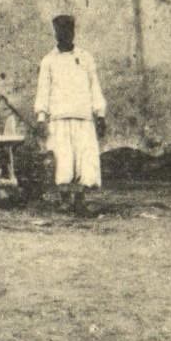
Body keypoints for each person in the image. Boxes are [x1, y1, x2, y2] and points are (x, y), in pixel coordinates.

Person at [34, 14, 107, 209]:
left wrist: (100, 115)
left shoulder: (85, 58)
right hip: (59, 117)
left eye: (68, 31)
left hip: (83, 116)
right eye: (60, 31)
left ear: (73, 32)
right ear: (55, 33)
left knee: (84, 158)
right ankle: (65, 199)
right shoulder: (48, 61)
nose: (64, 35)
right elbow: (43, 90)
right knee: (63, 158)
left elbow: (94, 87)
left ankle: (81, 199)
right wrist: (41, 117)